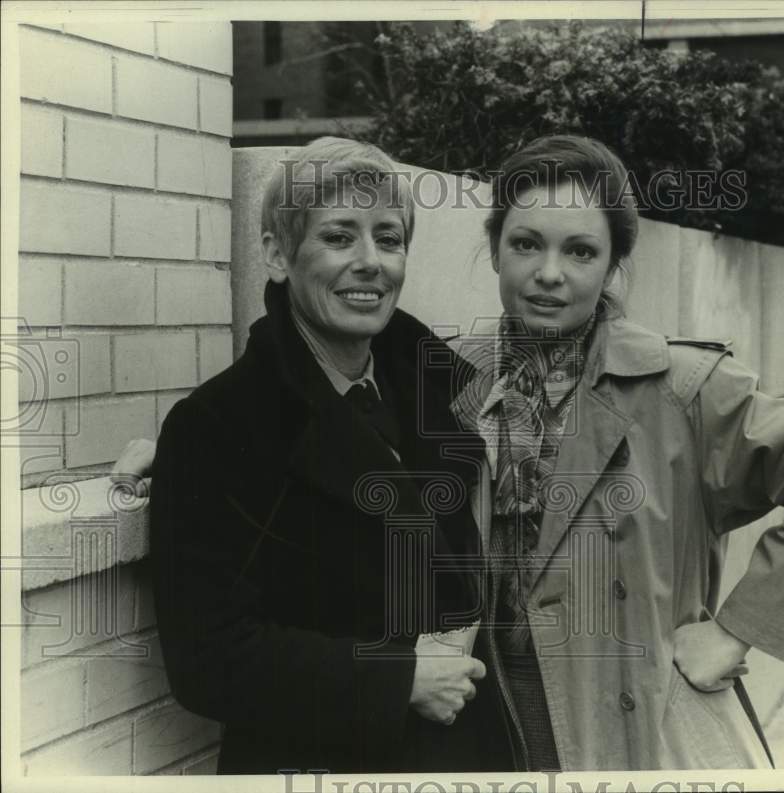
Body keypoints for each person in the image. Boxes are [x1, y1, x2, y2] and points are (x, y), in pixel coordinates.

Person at [445, 135, 784, 770]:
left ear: (612, 265)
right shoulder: (448, 384)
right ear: (495, 250)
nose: (550, 273)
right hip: (486, 726)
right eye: (526, 244)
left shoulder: (680, 389)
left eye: (580, 251)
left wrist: (737, 631)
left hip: (633, 733)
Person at [126, 137, 514, 774]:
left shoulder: (438, 397)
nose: (371, 263)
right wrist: (400, 679)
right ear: (278, 255)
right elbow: (208, 657)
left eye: (388, 239)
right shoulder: (217, 427)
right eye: (339, 237)